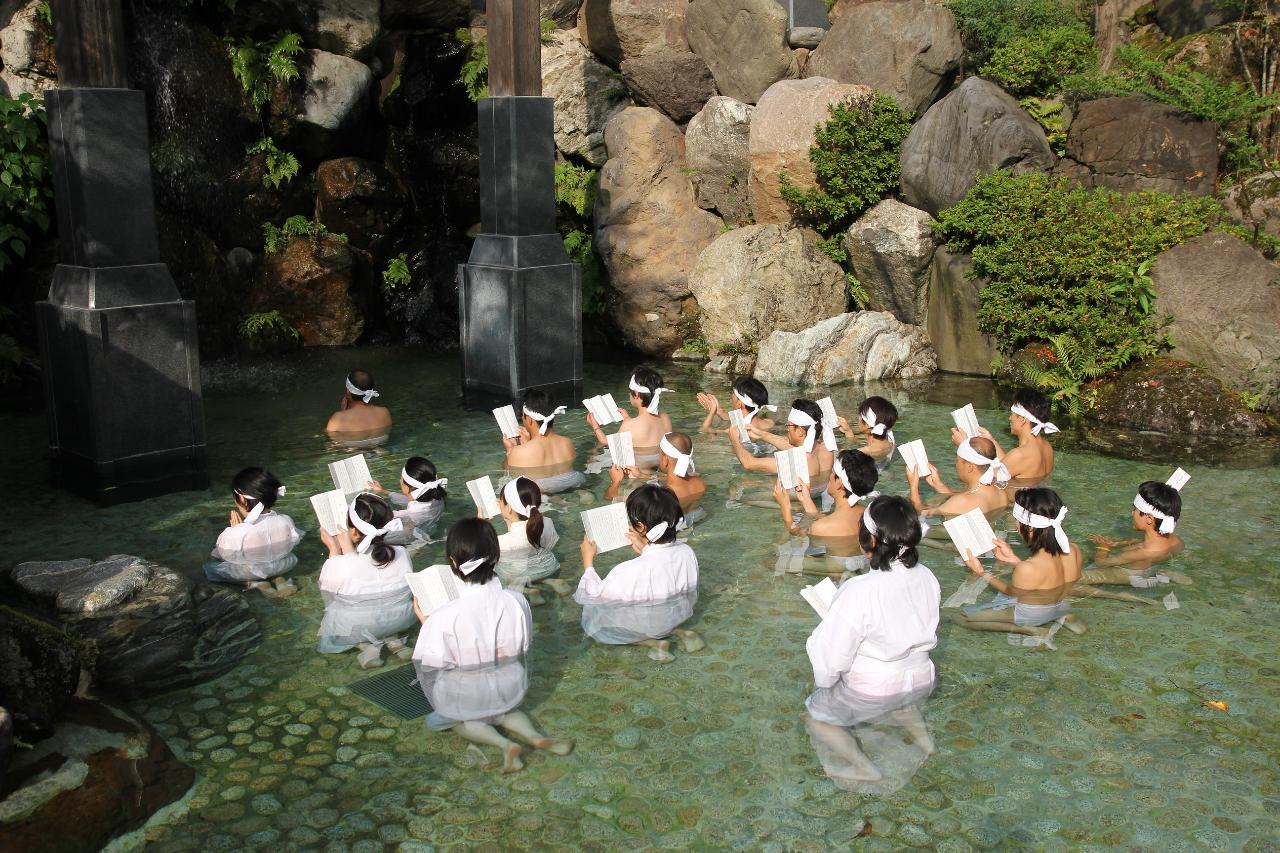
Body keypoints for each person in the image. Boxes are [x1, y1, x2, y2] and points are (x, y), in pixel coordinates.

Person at [412, 517, 573, 773]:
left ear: (453, 564)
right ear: (495, 556)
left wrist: (426, 625)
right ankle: (535, 737)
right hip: (510, 684)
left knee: (446, 719)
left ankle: (503, 745)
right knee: (505, 712)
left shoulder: (443, 616)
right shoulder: (516, 600)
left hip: (469, 693)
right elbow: (523, 643)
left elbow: (430, 664)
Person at [804, 496, 940, 789]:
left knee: (819, 719)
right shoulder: (928, 576)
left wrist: (825, 687)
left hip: (875, 689)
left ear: (869, 542)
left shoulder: (858, 590)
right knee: (903, 705)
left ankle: (866, 769)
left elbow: (831, 659)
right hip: (922, 678)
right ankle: (926, 744)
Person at [575, 485, 702, 662]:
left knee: (593, 623)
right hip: (678, 616)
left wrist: (588, 562)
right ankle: (678, 631)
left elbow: (591, 597)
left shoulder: (627, 571)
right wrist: (645, 549)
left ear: (641, 527)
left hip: (648, 626)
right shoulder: (687, 552)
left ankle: (651, 643)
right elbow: (662, 565)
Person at [954, 487, 1086, 638]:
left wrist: (982, 573)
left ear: (1029, 529)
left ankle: (1030, 630)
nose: (1015, 525)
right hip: (1061, 605)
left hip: (1033, 616)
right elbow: (1048, 576)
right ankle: (1063, 615)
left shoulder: (1027, 568)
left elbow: (1013, 593)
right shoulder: (1074, 550)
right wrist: (1015, 560)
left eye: (1017, 521)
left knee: (959, 617)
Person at [317, 493, 416, 669]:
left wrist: (333, 549)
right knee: (381, 610)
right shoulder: (402, 552)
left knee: (335, 613)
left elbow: (328, 598)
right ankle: (394, 641)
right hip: (402, 618)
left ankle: (368, 646)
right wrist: (348, 552)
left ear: (353, 531)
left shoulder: (340, 564)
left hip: (357, 626)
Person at [774, 449, 880, 578]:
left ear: (840, 483)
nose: (829, 476)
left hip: (838, 579)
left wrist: (785, 508)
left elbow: (797, 533)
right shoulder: (873, 514)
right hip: (865, 572)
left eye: (832, 473)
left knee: (772, 562)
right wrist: (806, 500)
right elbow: (832, 522)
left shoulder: (821, 527)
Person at [205, 467, 303, 597]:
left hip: (251, 572)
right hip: (285, 564)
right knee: (272, 559)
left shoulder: (237, 533)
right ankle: (279, 579)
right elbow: (294, 541)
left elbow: (221, 555)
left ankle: (256, 584)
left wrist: (235, 530)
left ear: (242, 500)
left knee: (210, 569)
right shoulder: (286, 520)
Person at [1084, 481, 1189, 585]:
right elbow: (1145, 544)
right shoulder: (1178, 542)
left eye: (1135, 509)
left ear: (1149, 518)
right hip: (1152, 564)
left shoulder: (1138, 553)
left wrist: (1103, 546)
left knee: (1078, 577)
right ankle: (1161, 573)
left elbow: (1102, 563)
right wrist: (1121, 543)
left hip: (1133, 575)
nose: (1132, 513)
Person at [732, 398, 835, 488]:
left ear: (799, 431)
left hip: (796, 505)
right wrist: (762, 435)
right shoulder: (827, 447)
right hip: (817, 495)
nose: (787, 430)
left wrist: (735, 440)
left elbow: (749, 463)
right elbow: (790, 445)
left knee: (741, 485)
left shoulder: (797, 460)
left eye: (789, 426)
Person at [961, 388, 1056, 486]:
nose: (1010, 418)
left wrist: (965, 447)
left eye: (1012, 414)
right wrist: (991, 441)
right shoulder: (1047, 447)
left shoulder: (1020, 454)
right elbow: (1012, 466)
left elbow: (982, 485)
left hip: (1014, 500)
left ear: (1023, 419)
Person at [907, 435, 1011, 519]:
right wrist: (940, 485)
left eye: (958, 461)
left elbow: (921, 512)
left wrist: (913, 486)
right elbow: (967, 499)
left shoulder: (963, 500)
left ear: (970, 467)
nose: (956, 465)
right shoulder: (1001, 494)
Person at [588, 366, 674, 467]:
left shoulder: (630, 425)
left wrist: (595, 426)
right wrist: (628, 419)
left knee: (593, 459)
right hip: (660, 462)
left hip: (639, 467)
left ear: (636, 394)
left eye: (630, 391)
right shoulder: (665, 418)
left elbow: (605, 442)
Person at [503, 388, 583, 493]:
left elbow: (508, 473)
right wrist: (528, 442)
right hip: (572, 482)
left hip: (539, 491)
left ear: (529, 420)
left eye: (523, 416)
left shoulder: (519, 452)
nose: (522, 418)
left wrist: (510, 450)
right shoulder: (567, 443)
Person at [493, 476, 562, 598]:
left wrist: (480, 524)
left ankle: (527, 591)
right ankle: (547, 581)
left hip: (520, 577)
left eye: (501, 501)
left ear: (509, 507)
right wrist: (508, 517)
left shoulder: (501, 542)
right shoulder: (548, 522)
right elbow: (549, 544)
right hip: (550, 567)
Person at [367, 456, 447, 543]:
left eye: (401, 479)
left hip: (418, 538)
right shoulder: (436, 495)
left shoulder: (411, 513)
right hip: (431, 526)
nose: (400, 480)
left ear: (407, 487)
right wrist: (383, 491)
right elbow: (407, 499)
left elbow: (388, 517)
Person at [696, 376, 777, 443]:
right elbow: (741, 417)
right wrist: (719, 411)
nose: (731, 396)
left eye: (733, 395)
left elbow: (703, 431)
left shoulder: (737, 430)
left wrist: (712, 413)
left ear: (739, 404)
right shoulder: (770, 423)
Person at [325, 369, 392, 443]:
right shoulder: (384, 412)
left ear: (348, 391)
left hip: (352, 452)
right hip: (379, 449)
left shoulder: (337, 418)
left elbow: (331, 441)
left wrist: (343, 412)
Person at [837, 396, 898, 467]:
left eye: (860, 416)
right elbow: (864, 446)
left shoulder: (871, 451)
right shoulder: (887, 440)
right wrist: (848, 431)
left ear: (868, 425)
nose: (859, 419)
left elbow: (841, 458)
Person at [657, 432, 706, 515]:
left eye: (660, 454)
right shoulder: (700, 483)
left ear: (665, 459)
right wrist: (642, 476)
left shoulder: (664, 496)